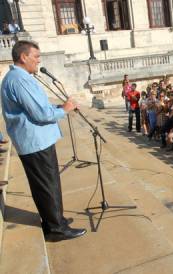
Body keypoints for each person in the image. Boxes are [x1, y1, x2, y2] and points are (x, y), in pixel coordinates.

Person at [0, 40, 86, 241]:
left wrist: (59, 107)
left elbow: (36, 108)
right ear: (23, 57)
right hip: (35, 142)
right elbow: (40, 113)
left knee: (48, 184)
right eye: (36, 57)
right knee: (47, 186)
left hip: (36, 141)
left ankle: (56, 221)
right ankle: (56, 229)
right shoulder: (19, 80)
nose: (39, 61)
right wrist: (64, 109)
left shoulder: (18, 77)